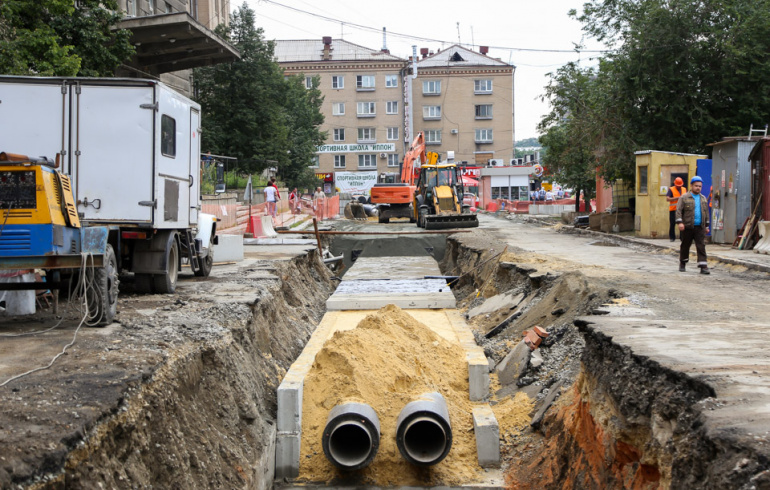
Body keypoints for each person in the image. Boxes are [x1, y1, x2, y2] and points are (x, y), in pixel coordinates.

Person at [676, 176, 710, 274]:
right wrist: (680, 223)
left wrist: (707, 226)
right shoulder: (684, 197)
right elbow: (678, 211)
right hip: (687, 227)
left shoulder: (703, 198)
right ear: (691, 186)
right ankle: (683, 263)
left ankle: (703, 266)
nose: (698, 188)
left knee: (701, 246)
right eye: (696, 186)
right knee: (685, 246)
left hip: (699, 227)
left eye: (700, 186)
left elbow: (706, 213)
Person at [666, 177, 687, 242]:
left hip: (682, 209)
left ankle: (682, 237)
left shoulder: (684, 189)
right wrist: (677, 198)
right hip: (673, 209)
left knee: (682, 223)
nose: (678, 187)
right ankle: (672, 237)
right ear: (675, 184)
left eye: (680, 185)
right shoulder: (671, 189)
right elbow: (667, 199)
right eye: (677, 186)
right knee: (672, 224)